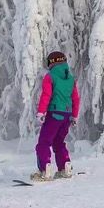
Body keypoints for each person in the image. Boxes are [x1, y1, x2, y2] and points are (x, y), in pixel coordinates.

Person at [33, 50, 80, 181]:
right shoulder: (70, 79)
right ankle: (65, 166)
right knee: (59, 142)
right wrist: (74, 116)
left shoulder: (50, 77)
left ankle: (44, 170)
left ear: (51, 63)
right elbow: (75, 99)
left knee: (44, 142)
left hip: (54, 114)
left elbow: (46, 95)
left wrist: (41, 112)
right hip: (67, 115)